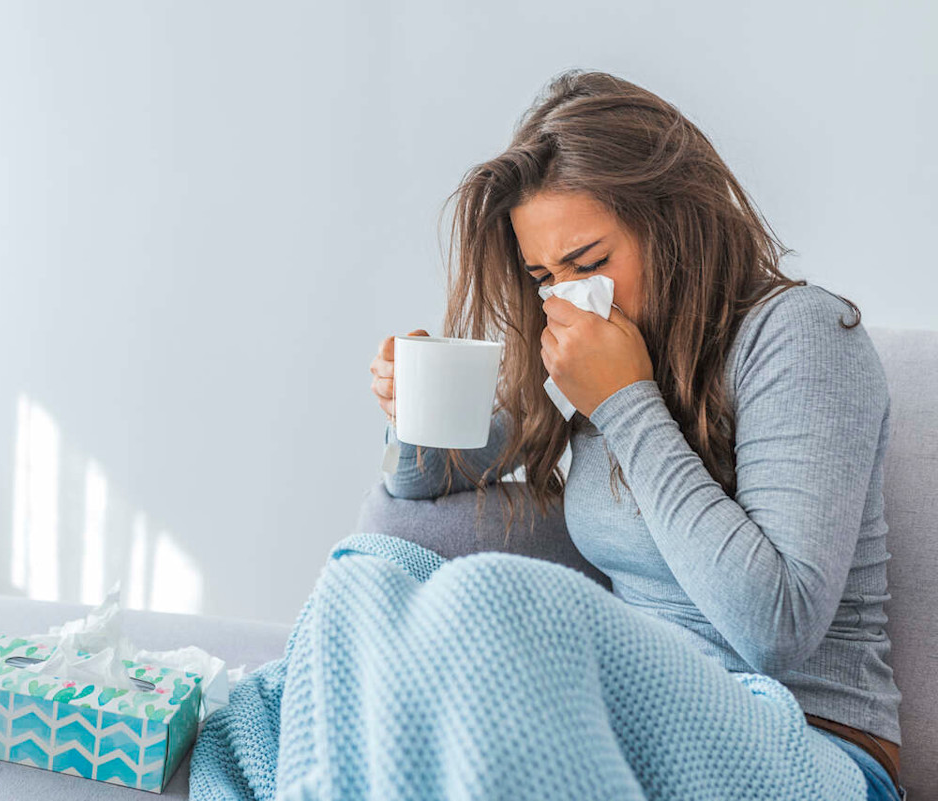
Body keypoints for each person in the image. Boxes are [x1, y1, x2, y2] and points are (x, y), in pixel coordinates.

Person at [368, 69, 906, 800]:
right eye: (544, 276)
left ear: (674, 222)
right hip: (634, 732)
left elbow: (775, 626)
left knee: (486, 599)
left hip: (811, 752)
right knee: (369, 573)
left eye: (589, 264)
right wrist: (413, 417)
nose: (569, 298)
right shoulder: (597, 357)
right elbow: (426, 481)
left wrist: (625, 401)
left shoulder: (799, 335)